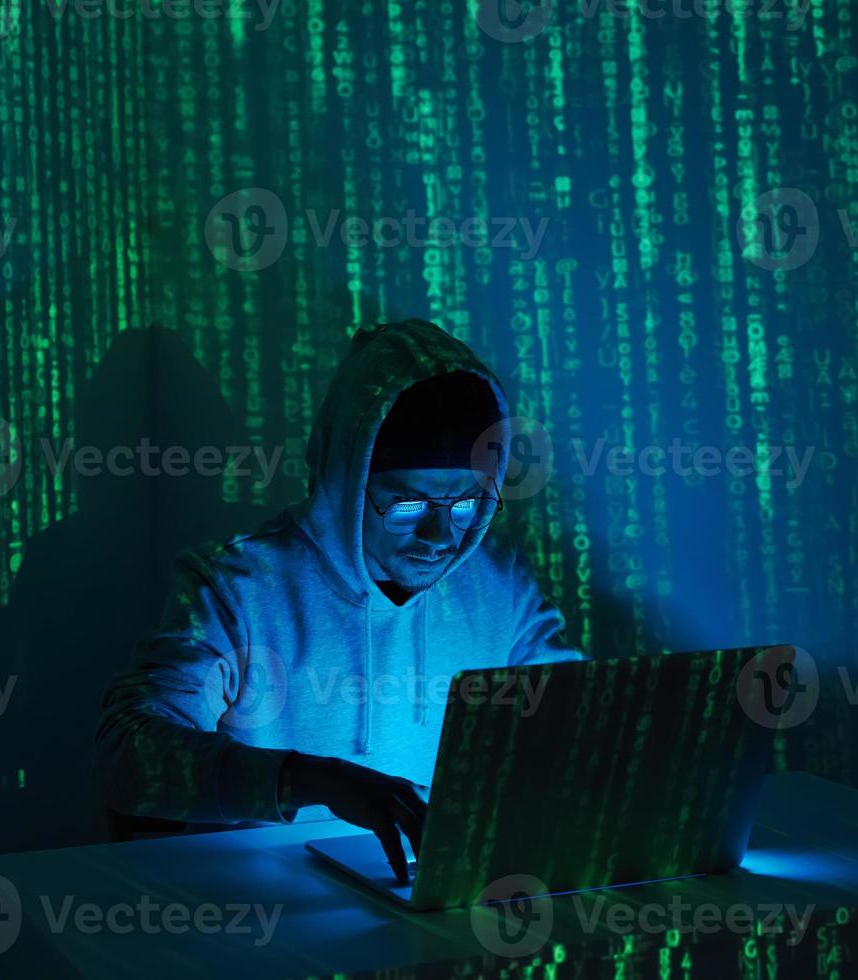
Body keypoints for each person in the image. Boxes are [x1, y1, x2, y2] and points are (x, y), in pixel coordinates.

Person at [94, 318, 586, 881]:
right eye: (406, 505)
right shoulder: (238, 587)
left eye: (467, 504)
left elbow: (578, 723)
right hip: (263, 914)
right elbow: (127, 756)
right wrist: (312, 779)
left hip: (435, 902)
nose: (440, 536)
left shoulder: (499, 589)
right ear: (344, 483)